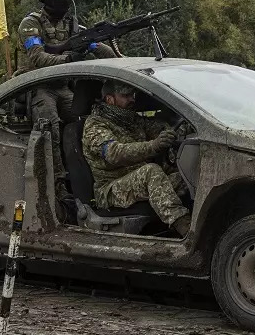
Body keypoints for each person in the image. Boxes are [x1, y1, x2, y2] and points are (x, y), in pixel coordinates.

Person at [16, 0, 117, 206]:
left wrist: (105, 45)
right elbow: (38, 58)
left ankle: (96, 178)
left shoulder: (73, 26)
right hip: (38, 86)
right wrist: (70, 58)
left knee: (90, 123)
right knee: (49, 128)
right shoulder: (31, 24)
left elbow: (102, 50)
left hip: (63, 87)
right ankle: (58, 188)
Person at [82, 81, 191, 237]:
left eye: (132, 95)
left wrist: (176, 130)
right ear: (109, 99)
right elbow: (114, 153)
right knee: (151, 172)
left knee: (186, 172)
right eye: (125, 96)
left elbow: (159, 129)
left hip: (137, 180)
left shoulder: (131, 120)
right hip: (111, 188)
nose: (132, 99)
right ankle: (185, 230)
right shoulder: (95, 124)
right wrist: (154, 145)